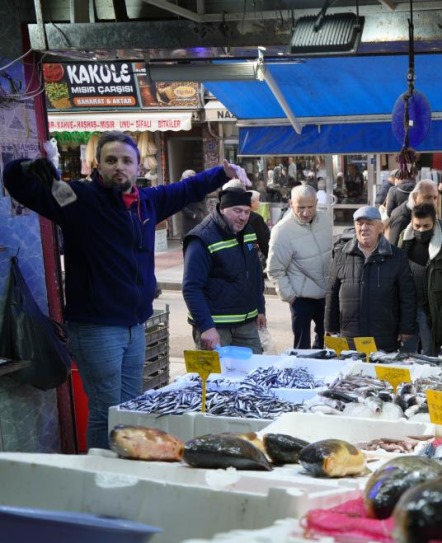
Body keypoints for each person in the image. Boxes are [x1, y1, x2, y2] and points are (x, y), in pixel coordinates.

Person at [2, 130, 248, 449]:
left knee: (130, 406)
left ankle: (125, 467)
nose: (119, 166)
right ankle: (101, 478)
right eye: (111, 160)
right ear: (98, 165)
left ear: (138, 167)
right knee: (106, 410)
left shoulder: (148, 203)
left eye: (126, 160)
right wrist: (24, 168)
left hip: (135, 325)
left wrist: (223, 172)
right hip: (96, 328)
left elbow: (186, 189)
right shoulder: (77, 200)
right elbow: (23, 187)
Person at [183, 187, 266, 355]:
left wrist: (260, 308)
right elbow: (191, 288)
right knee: (214, 379)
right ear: (222, 209)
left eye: (247, 211)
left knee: (254, 374)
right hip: (216, 328)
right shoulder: (202, 238)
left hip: (247, 324)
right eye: (237, 211)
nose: (243, 217)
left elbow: (255, 272)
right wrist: (206, 327)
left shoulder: (248, 231)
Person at [325, 206, 417, 351]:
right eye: (359, 223)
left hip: (384, 336)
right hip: (349, 337)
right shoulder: (341, 254)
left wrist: (406, 328)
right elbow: (332, 293)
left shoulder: (396, 256)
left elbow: (407, 296)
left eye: (369, 223)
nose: (364, 228)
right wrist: (330, 326)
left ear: (380, 227)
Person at [267, 184, 333, 349]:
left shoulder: (325, 219)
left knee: (329, 343)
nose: (306, 212)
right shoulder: (281, 231)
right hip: (300, 298)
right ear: (291, 204)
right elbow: (275, 270)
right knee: (302, 348)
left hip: (326, 293)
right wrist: (291, 297)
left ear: (317, 203)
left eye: (310, 207)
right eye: (300, 207)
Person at [397, 203, 442, 355]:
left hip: (432, 311)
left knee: (430, 355)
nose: (421, 230)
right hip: (407, 308)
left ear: (435, 221)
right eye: (417, 226)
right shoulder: (404, 241)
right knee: (405, 355)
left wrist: (441, 322)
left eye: (426, 226)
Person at [387, 179, 442, 246]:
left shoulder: (424, 214)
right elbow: (393, 249)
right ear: (415, 197)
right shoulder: (402, 219)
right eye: (428, 197)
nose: (433, 203)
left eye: (435, 198)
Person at [179, 169, 209, 237]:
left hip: (198, 215)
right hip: (188, 219)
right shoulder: (182, 190)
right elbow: (181, 206)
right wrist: (192, 215)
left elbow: (202, 200)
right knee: (189, 237)